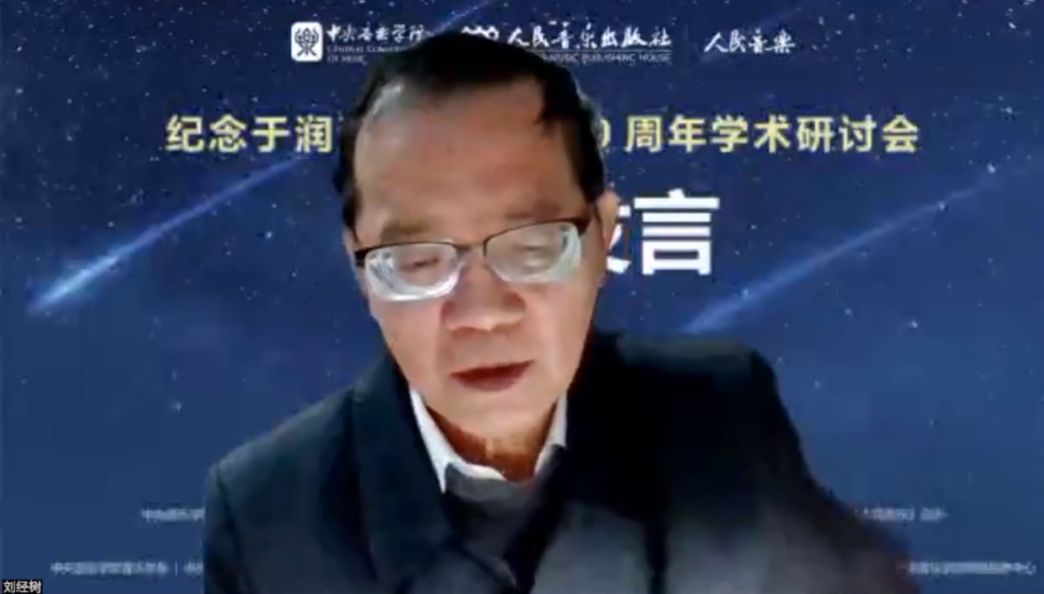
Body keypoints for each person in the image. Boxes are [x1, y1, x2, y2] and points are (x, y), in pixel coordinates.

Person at [202, 31, 917, 594]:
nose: (481, 312)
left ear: (603, 237)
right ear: (361, 268)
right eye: (417, 259)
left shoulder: (720, 415)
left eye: (532, 245)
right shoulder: (268, 509)